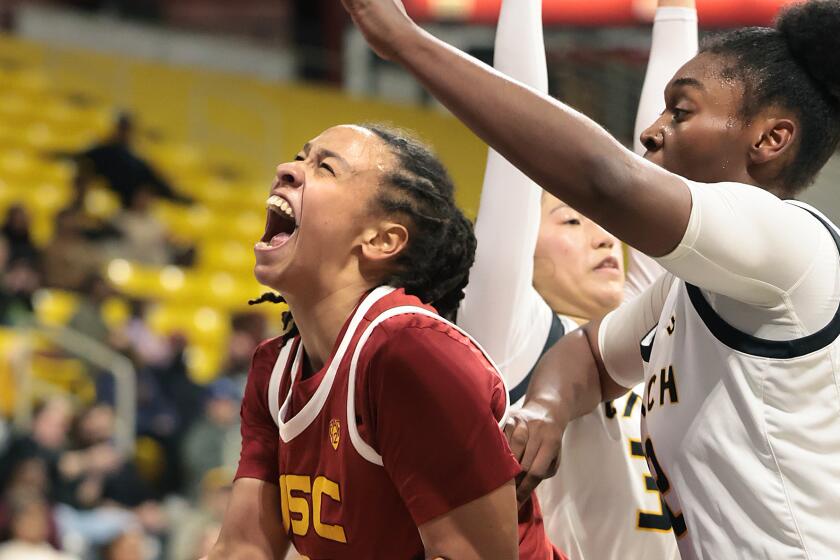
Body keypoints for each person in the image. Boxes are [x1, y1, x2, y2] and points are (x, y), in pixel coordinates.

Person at [342, 0, 840, 557]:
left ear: (770, 140)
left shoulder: (794, 248)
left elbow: (608, 180)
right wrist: (545, 409)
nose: (651, 132)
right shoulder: (691, 289)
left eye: (680, 112)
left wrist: (406, 42)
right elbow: (591, 356)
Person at [208, 124, 561, 559]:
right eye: (301, 157)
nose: (289, 169)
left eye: (325, 168)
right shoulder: (275, 370)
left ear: (381, 240)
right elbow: (243, 548)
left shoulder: (409, 354)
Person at [457, 0, 695, 557]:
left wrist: (677, 9)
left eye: (608, 224)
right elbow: (516, 135)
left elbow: (664, 170)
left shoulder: (641, 321)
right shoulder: (511, 333)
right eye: (570, 219)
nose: (604, 236)